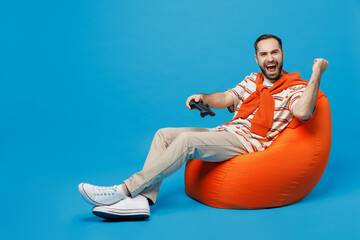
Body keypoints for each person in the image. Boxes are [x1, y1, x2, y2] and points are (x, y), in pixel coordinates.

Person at [78, 34, 329, 220]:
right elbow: (227, 98)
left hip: (248, 143)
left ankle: (123, 190)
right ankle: (143, 200)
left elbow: (304, 112)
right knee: (163, 134)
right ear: (257, 58)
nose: (270, 58)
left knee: (187, 142)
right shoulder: (253, 81)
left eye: (274, 52)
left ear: (283, 54)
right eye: (263, 54)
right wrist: (204, 98)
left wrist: (316, 73)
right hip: (226, 132)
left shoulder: (296, 88)